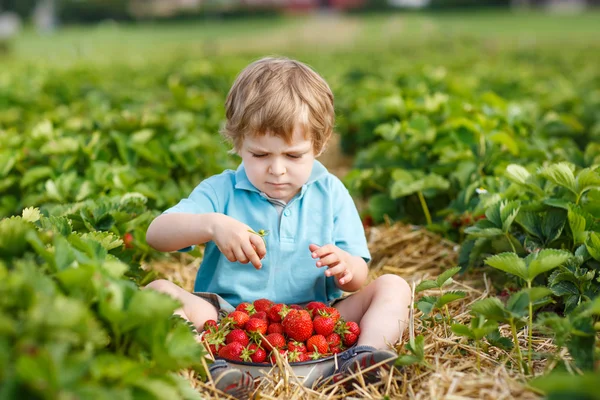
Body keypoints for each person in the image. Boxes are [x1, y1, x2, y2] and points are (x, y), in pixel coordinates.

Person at [144, 56, 412, 399]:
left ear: (320, 143)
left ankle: (362, 358)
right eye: (259, 155)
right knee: (159, 291)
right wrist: (212, 224)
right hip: (228, 322)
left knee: (394, 286)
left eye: (293, 156)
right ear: (237, 142)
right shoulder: (220, 192)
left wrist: (346, 266)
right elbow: (157, 234)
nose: (277, 170)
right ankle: (209, 365)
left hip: (315, 322)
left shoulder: (330, 192)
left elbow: (360, 274)